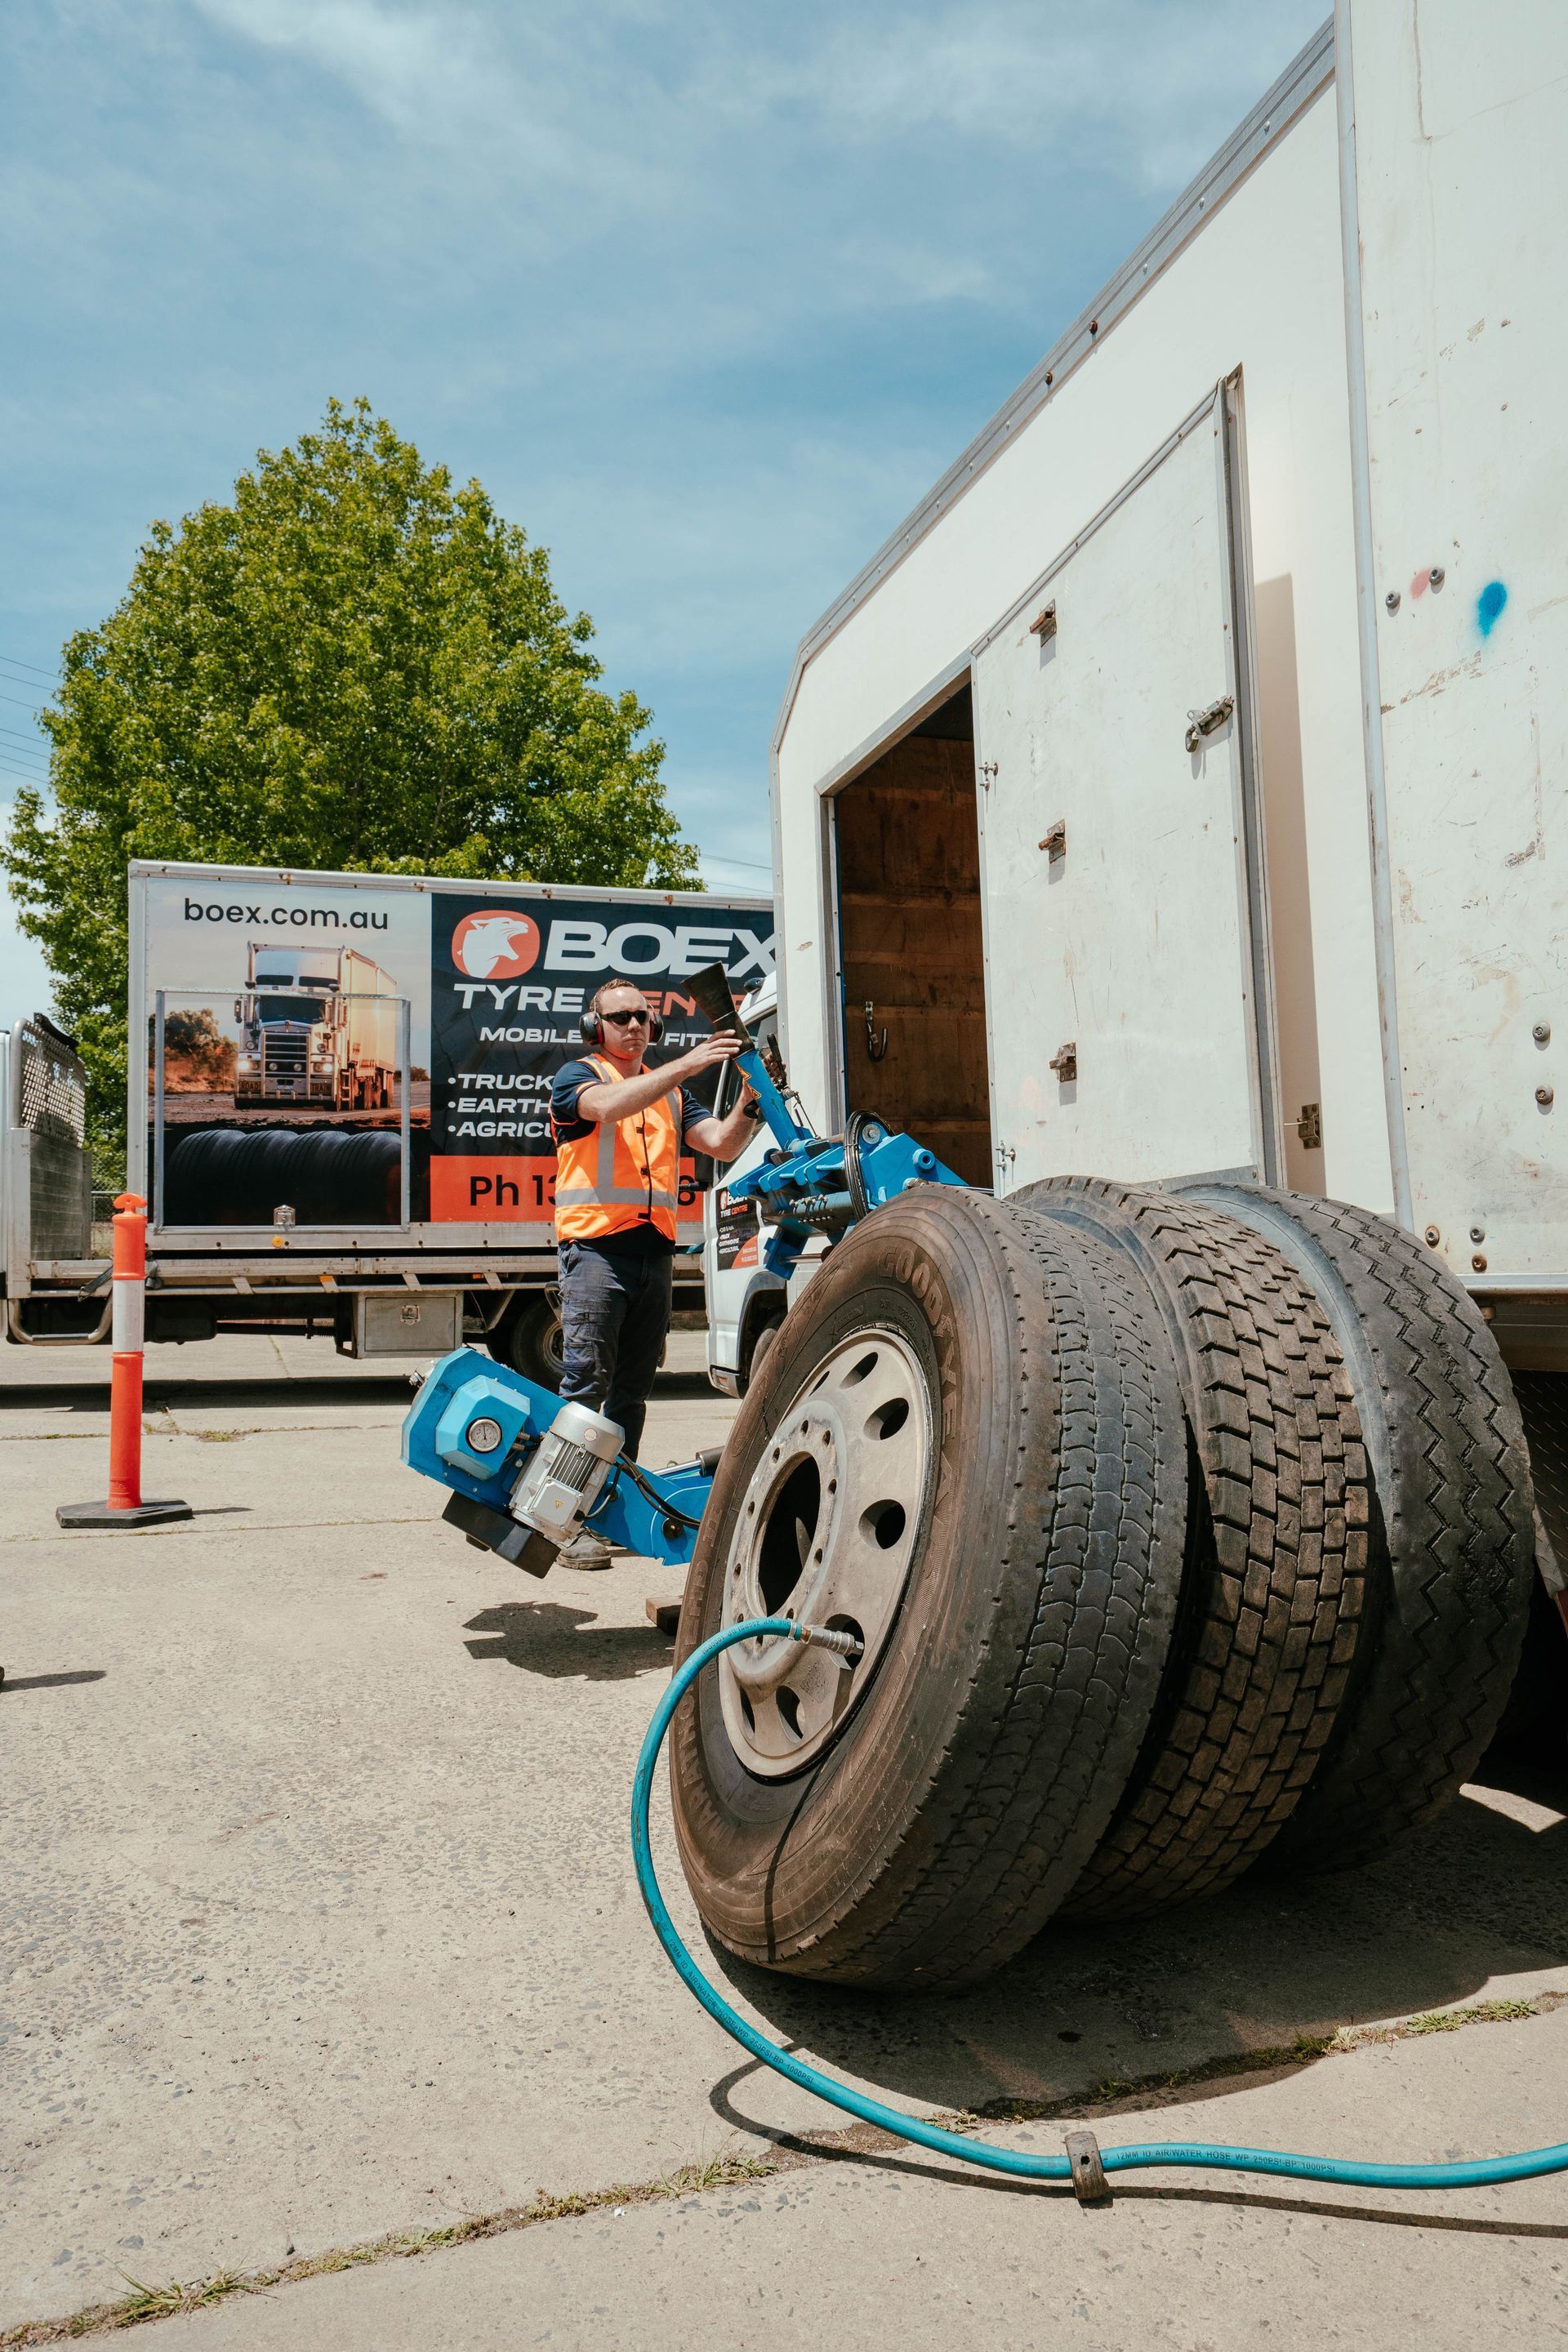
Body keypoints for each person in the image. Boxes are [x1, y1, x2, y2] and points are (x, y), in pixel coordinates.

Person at [549, 977, 765, 1566]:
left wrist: (750, 1101)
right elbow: (609, 1106)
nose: (635, 1026)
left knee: (630, 1395)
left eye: (643, 1017)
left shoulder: (671, 1098)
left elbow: (720, 1144)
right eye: (620, 1017)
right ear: (597, 1027)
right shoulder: (579, 1078)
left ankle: (607, 1516)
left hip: (652, 1255)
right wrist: (690, 1063)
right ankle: (562, 1520)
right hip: (595, 1251)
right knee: (586, 1390)